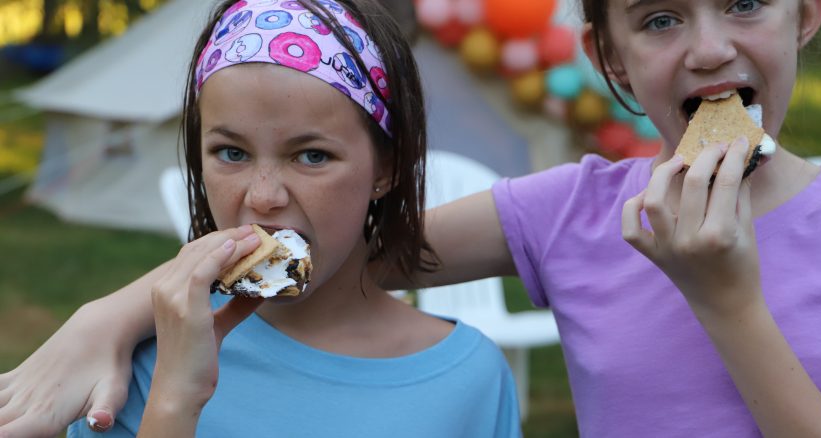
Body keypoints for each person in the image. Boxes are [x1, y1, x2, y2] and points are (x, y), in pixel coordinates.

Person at [0, 0, 821, 436]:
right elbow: (320, 247)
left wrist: (727, 302)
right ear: (610, 57)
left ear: (807, 13)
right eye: (659, 19)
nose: (710, 48)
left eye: (746, 3)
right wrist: (107, 319)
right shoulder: (575, 211)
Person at [30, 0, 520, 436]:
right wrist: (175, 400)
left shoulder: (470, 380)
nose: (263, 197)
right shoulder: (137, 365)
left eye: (312, 156)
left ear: (386, 169)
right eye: (231, 152)